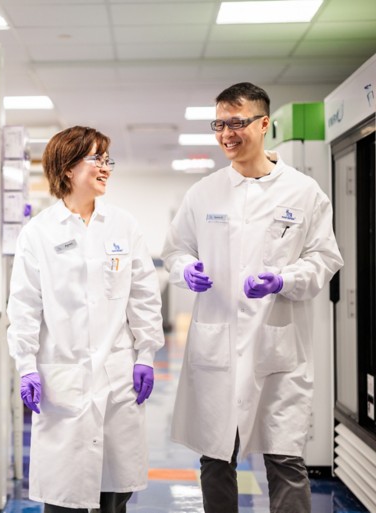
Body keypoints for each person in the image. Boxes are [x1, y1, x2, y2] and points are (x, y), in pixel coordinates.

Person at [161, 82, 343, 513]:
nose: (227, 133)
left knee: (285, 458)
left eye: (238, 122)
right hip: (217, 346)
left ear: (264, 124)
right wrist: (186, 270)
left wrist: (283, 281)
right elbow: (175, 250)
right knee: (215, 456)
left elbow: (325, 257)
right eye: (220, 124)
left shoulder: (303, 192)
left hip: (276, 348)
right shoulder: (203, 193)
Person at [7, 126, 164, 512]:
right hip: (64, 380)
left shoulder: (123, 226)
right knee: (64, 496)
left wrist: (145, 355)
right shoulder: (38, 233)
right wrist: (26, 365)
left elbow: (144, 295)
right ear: (67, 168)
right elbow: (25, 305)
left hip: (116, 376)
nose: (106, 168)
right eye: (97, 159)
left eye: (108, 159)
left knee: (114, 496)